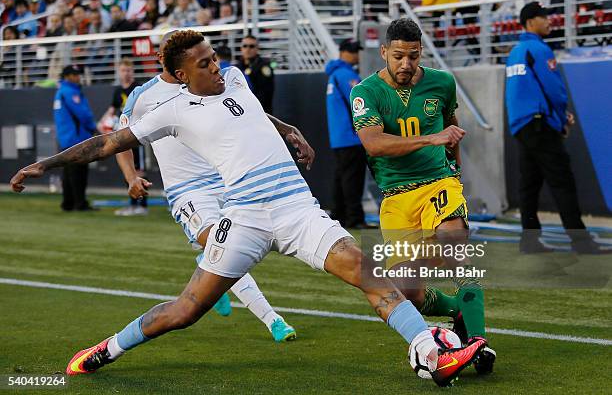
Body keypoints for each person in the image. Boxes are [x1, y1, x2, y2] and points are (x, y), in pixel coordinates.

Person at [10, 30, 485, 388]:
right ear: (180, 76)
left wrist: (289, 129)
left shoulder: (235, 77)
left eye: (213, 57)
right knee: (185, 310)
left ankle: (428, 351)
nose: (215, 67)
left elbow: (253, 112)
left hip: (298, 209)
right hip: (245, 219)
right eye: (202, 64)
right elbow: (107, 141)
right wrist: (44, 164)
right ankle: (108, 348)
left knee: (366, 272)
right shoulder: (170, 112)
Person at [113, 31, 298, 342]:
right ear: (165, 60)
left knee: (222, 251)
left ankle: (209, 271)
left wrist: (285, 129)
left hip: (226, 180)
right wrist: (131, 177)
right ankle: (273, 319)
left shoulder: (211, 83)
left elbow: (249, 113)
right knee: (217, 242)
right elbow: (118, 141)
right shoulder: (142, 97)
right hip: (187, 191)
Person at [350, 18, 495, 374]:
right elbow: (374, 143)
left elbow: (452, 130)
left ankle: (477, 343)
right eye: (398, 56)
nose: (405, 64)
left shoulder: (442, 82)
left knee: (455, 248)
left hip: (438, 183)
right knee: (408, 291)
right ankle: (456, 310)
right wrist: (432, 139)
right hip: (396, 197)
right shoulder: (364, 92)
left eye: (413, 56)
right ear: (383, 52)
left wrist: (456, 177)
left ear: (421, 53)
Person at [505, 2, 605, 255]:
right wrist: (562, 119)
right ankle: (581, 243)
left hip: (521, 126)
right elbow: (554, 90)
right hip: (540, 125)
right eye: (544, 17)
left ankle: (529, 241)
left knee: (529, 185)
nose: (549, 21)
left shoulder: (515, 52)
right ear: (531, 22)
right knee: (563, 182)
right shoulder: (539, 49)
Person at [325, 38, 371, 229]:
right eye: (353, 51)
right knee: (353, 179)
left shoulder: (335, 74)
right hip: (351, 136)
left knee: (342, 178)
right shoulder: (346, 74)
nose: (356, 55)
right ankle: (354, 218)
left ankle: (340, 215)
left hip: (339, 137)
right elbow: (360, 102)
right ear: (343, 52)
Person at [102, 58, 147, 216]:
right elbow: (112, 110)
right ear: (119, 72)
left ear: (132, 71)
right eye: (123, 70)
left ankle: (141, 206)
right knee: (128, 169)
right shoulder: (118, 90)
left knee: (139, 170)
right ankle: (132, 204)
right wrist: (103, 123)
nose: (126, 73)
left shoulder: (138, 88)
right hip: (122, 134)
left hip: (136, 134)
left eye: (128, 70)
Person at [52, 64, 97, 212]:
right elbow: (82, 114)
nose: (78, 77)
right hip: (77, 139)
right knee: (78, 173)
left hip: (66, 139)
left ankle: (68, 203)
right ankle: (80, 204)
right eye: (75, 74)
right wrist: (93, 128)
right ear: (67, 76)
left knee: (68, 173)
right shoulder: (70, 92)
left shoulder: (60, 92)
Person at [236, 35, 275, 113]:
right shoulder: (237, 67)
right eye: (245, 46)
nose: (248, 49)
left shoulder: (264, 66)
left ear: (257, 48)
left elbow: (265, 93)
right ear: (241, 48)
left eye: (251, 46)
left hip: (261, 111)